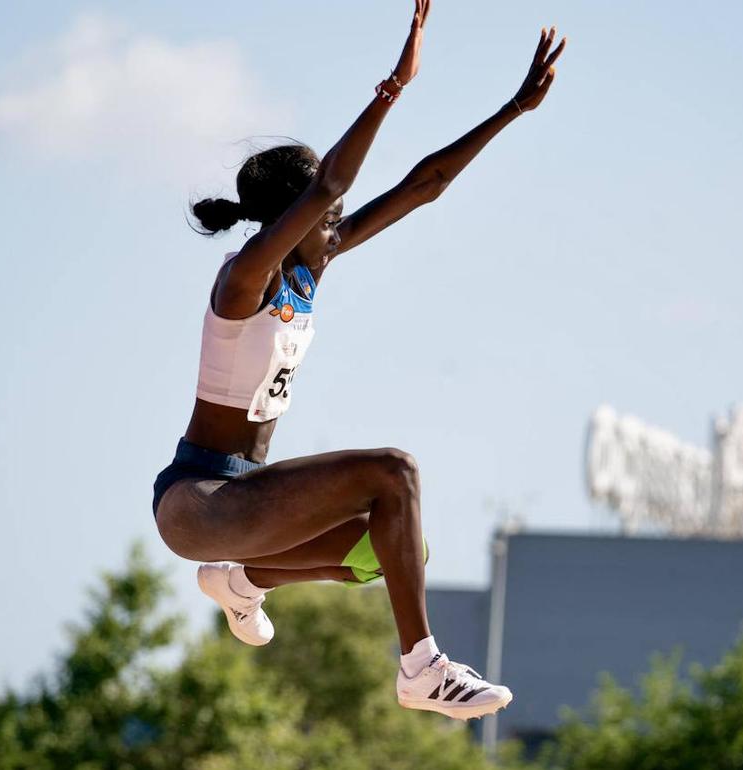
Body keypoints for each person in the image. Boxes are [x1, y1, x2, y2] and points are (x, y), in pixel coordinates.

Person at [153, 0, 565, 720]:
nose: (338, 220)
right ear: (294, 217)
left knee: (396, 547)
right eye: (322, 213)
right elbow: (331, 188)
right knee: (394, 471)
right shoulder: (245, 278)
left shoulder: (317, 266)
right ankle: (422, 670)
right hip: (200, 498)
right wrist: (392, 88)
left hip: (253, 497)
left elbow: (423, 185)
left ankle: (243, 582)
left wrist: (511, 110)